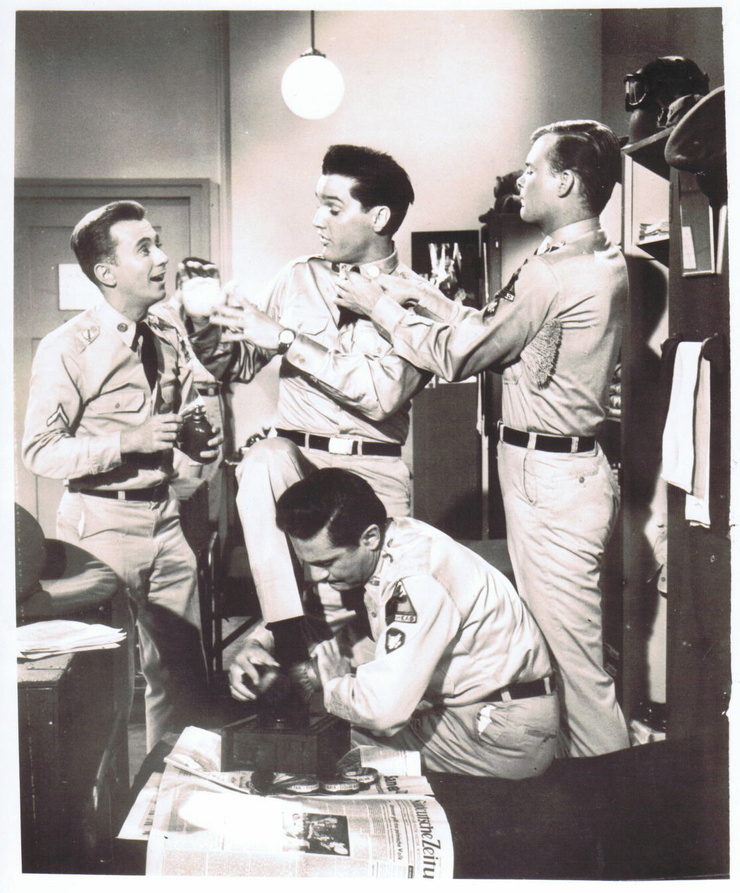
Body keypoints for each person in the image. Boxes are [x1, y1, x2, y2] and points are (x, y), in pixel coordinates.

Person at [334, 120, 630, 758]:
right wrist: (421, 294)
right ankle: (588, 789)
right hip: (562, 473)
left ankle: (616, 805)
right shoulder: (590, 255)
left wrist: (379, 308)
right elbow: (501, 332)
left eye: (532, 170)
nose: (520, 181)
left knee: (576, 670)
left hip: (550, 479)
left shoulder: (555, 272)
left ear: (565, 182)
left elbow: (461, 356)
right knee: (566, 652)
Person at [190, 144, 432, 670]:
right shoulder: (296, 277)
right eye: (318, 204)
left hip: (374, 471)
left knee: (372, 641)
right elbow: (236, 365)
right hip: (298, 461)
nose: (317, 219)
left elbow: (384, 394)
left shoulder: (420, 300)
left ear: (379, 218)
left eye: (332, 207)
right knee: (263, 458)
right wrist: (206, 323)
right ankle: (287, 630)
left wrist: (284, 338)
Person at [22, 200, 222, 750]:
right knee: (98, 684)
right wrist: (126, 442)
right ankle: (101, 802)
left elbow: (184, 412)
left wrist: (194, 445)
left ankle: (167, 787)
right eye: (145, 249)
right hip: (100, 527)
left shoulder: (166, 331)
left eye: (158, 243)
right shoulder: (67, 347)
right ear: (107, 273)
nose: (163, 258)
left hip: (166, 520)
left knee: (180, 676)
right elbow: (40, 451)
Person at [229, 468, 558, 778]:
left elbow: (382, 712)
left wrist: (333, 680)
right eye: (310, 564)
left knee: (314, 750)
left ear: (370, 537)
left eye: (327, 563)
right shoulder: (391, 538)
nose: (319, 576)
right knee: (318, 738)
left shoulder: (415, 579)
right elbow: (317, 615)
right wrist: (257, 644)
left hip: (500, 732)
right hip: (483, 711)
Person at [150, 257, 227, 524]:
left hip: (214, 400)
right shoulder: (162, 316)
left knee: (211, 474)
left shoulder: (218, 318)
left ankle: (207, 538)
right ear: (180, 288)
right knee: (184, 480)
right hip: (184, 403)